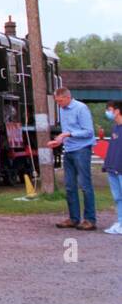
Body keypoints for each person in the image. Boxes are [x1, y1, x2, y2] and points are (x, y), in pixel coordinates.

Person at [47, 87, 96, 231]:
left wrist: (67, 135)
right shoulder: (62, 110)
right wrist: (59, 141)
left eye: (60, 101)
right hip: (68, 150)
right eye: (57, 101)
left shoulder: (81, 109)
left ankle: (90, 219)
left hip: (82, 150)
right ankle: (74, 218)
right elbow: (66, 132)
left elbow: (88, 132)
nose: (59, 104)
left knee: (85, 185)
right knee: (69, 186)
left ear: (68, 98)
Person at [103, 100, 122, 236]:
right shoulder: (115, 127)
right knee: (117, 198)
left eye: (109, 109)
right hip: (113, 169)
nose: (108, 112)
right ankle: (120, 222)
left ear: (116, 110)